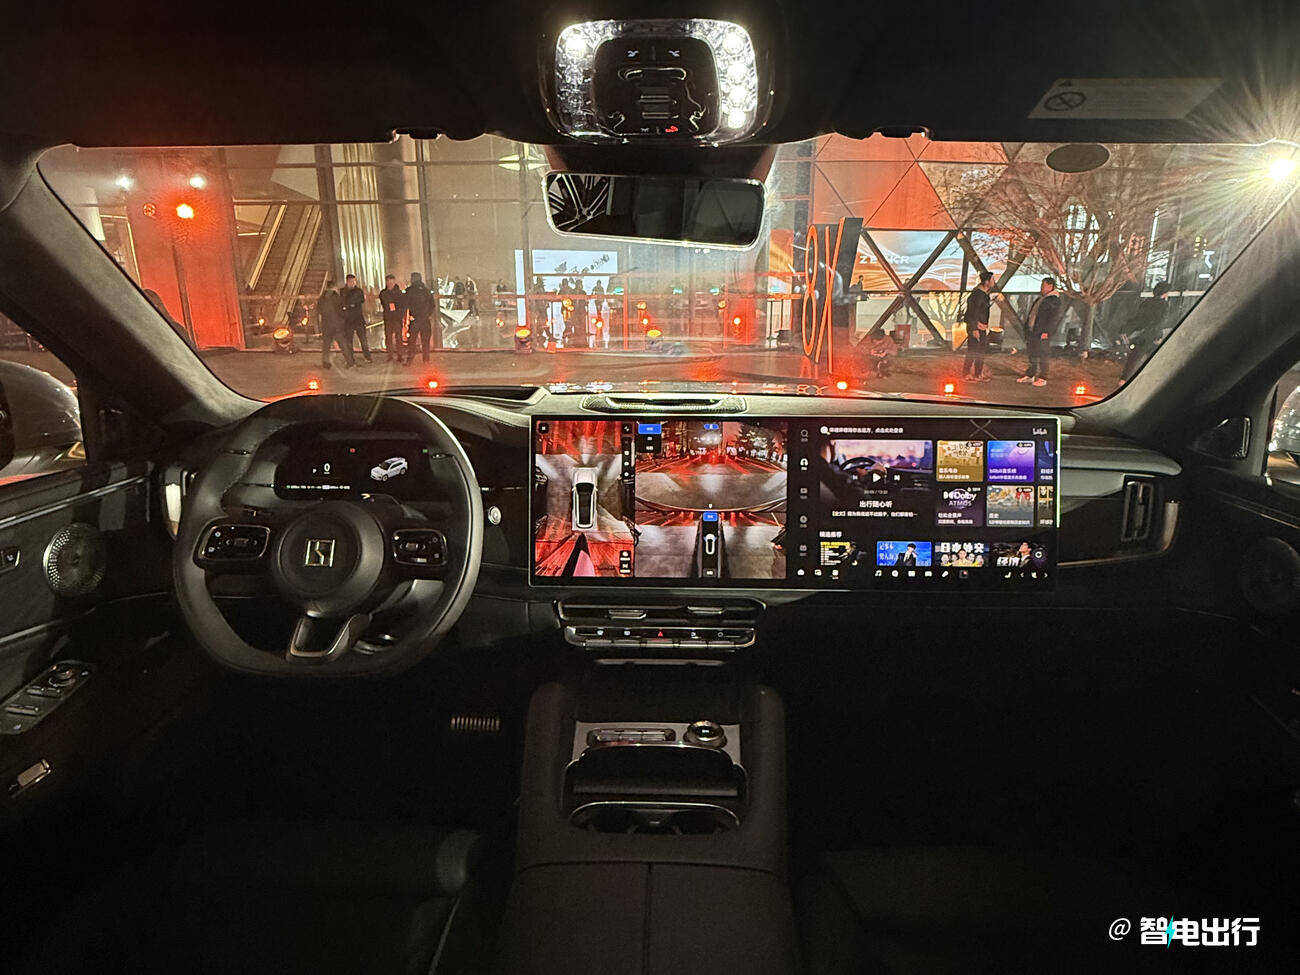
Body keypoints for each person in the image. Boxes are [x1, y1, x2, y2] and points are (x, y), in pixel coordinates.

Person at [1121, 281, 1173, 382]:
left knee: (1134, 358)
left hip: (1141, 334)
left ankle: (1124, 379)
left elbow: (1138, 318)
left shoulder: (1146, 302)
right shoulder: (1164, 305)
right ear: (1164, 293)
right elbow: (1160, 322)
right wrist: (1158, 336)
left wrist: (1127, 330)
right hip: (1152, 335)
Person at [1017, 277, 1064, 387]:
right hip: (1033, 330)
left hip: (1042, 332)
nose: (1041, 288)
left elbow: (1053, 318)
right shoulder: (1042, 299)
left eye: (1043, 286)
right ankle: (1031, 374)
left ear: (1050, 286)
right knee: (1032, 353)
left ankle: (1043, 377)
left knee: (1043, 353)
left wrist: (1047, 331)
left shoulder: (1053, 300)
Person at [962, 271, 996, 382]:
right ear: (986, 282)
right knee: (973, 350)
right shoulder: (978, 295)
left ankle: (978, 373)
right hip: (976, 327)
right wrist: (974, 328)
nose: (994, 282)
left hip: (981, 327)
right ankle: (966, 373)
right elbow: (973, 312)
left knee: (980, 351)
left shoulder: (983, 295)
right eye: (992, 280)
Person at [316, 278, 351, 368]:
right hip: (336, 325)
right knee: (342, 344)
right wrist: (343, 320)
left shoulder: (322, 298)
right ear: (334, 287)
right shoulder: (337, 297)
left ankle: (325, 362)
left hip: (326, 325)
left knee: (326, 345)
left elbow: (319, 310)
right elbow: (342, 310)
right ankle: (349, 361)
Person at [404, 271, 435, 364]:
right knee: (425, 341)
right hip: (425, 319)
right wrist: (428, 314)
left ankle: (410, 359)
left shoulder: (409, 291)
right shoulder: (426, 291)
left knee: (412, 340)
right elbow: (432, 305)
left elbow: (406, 304)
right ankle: (426, 359)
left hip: (415, 319)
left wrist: (411, 315)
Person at [340, 273, 372, 363]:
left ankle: (367, 357)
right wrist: (350, 304)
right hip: (348, 320)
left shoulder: (358, 291)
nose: (352, 283)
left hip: (358, 319)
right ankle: (350, 358)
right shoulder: (343, 291)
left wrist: (350, 304)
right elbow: (343, 302)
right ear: (347, 282)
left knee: (363, 339)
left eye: (353, 281)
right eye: (350, 281)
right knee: (348, 340)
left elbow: (360, 300)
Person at [378, 273, 407, 362]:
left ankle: (400, 354)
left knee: (398, 337)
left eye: (391, 282)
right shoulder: (383, 293)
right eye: (389, 282)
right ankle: (390, 355)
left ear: (394, 282)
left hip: (396, 318)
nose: (390, 284)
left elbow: (403, 306)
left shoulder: (399, 294)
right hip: (388, 318)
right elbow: (384, 303)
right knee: (389, 337)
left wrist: (400, 315)